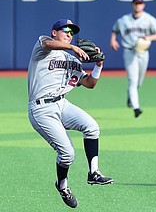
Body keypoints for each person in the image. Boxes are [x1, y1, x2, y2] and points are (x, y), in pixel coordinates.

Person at [27, 19, 113, 208]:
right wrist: (72, 47)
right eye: (65, 30)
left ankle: (94, 173)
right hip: (41, 110)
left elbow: (89, 84)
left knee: (92, 127)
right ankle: (62, 185)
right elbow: (48, 43)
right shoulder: (43, 47)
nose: (69, 34)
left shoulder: (71, 60)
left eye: (72, 32)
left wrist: (99, 65)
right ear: (54, 32)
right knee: (67, 154)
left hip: (62, 104)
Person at [110, 0, 156, 118]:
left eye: (140, 3)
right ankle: (136, 107)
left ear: (143, 5)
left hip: (143, 52)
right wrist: (113, 41)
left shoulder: (149, 19)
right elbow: (115, 30)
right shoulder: (124, 20)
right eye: (136, 3)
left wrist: (149, 38)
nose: (138, 5)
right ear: (132, 5)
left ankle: (131, 96)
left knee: (139, 82)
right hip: (129, 52)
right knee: (132, 80)